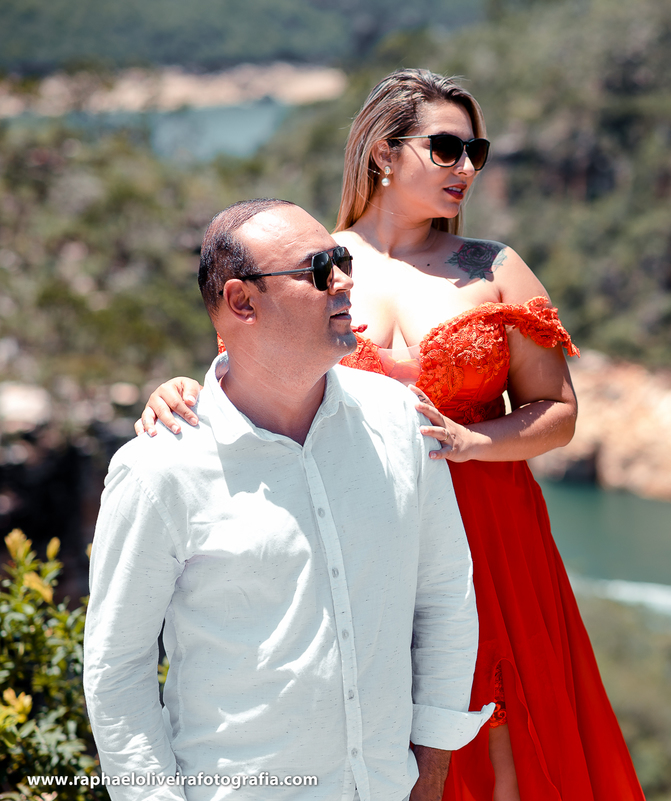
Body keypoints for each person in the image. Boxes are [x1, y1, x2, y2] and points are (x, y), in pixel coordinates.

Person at [137, 70, 645, 801]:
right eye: (445, 148)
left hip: (495, 537)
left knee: (507, 738)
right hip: (369, 530)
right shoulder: (320, 262)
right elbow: (256, 368)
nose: (466, 168)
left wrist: (475, 444)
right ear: (383, 151)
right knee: (381, 730)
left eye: (477, 151)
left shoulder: (495, 268)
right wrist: (179, 390)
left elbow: (558, 410)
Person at [86, 198, 492, 801]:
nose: (347, 282)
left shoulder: (401, 420)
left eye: (344, 261)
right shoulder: (158, 469)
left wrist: (430, 772)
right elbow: (118, 674)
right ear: (241, 302)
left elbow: (445, 594)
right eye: (319, 270)